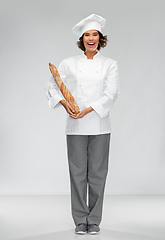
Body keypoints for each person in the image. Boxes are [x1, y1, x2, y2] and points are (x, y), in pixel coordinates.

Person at [45, 13, 119, 235]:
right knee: (77, 173)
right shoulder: (67, 64)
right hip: (75, 125)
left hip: (100, 123)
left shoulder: (109, 64)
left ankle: (94, 219)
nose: (91, 38)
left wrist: (89, 108)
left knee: (98, 172)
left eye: (95, 34)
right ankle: (80, 219)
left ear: (100, 38)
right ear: (81, 39)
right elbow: (53, 84)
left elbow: (112, 92)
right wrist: (63, 103)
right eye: (87, 34)